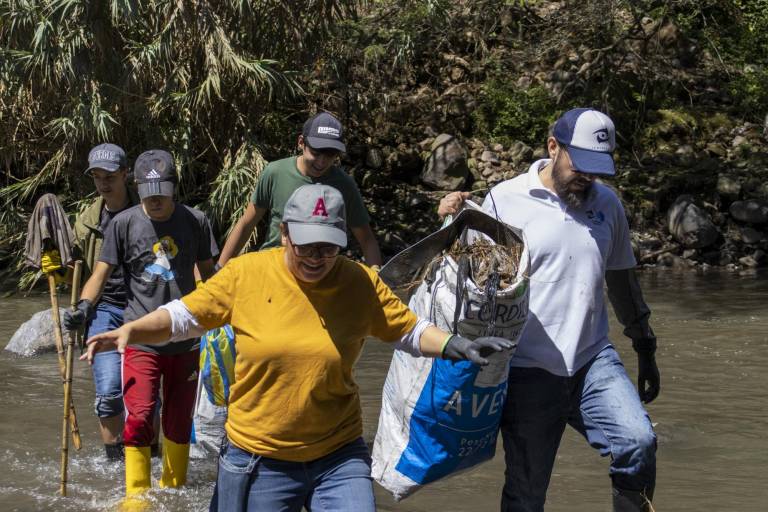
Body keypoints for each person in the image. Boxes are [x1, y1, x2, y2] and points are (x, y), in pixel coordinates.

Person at [84, 183, 512, 512]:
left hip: (338, 455)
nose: (315, 256)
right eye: (305, 245)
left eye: (327, 247)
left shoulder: (359, 281)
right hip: (260, 457)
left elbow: (407, 330)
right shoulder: (248, 274)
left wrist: (456, 344)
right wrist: (133, 331)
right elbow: (184, 317)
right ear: (284, 233)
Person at [438, 108, 660, 512]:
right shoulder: (503, 200)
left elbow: (622, 284)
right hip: (526, 369)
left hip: (593, 360)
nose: (588, 177)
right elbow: (468, 285)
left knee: (638, 441)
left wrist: (645, 346)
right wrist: (452, 224)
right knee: (526, 492)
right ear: (553, 147)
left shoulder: (607, 205)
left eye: (598, 169)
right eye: (581, 165)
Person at [73, 149, 217, 505]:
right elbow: (100, 273)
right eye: (148, 192)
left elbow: (210, 278)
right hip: (139, 337)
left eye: (162, 192)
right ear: (136, 186)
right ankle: (136, 495)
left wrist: (225, 322)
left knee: (179, 420)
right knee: (138, 415)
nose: (155, 200)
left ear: (174, 188)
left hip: (185, 339)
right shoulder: (123, 225)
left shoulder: (196, 220)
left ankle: (174, 490)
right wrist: (83, 306)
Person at [217, 112, 383, 269]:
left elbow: (367, 239)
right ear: (301, 142)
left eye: (331, 154)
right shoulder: (275, 172)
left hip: (317, 268)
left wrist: (376, 277)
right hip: (275, 264)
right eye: (316, 152)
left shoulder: (344, 185)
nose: (322, 161)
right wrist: (220, 267)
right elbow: (247, 223)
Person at [63, 143, 140, 461]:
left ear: (125, 174)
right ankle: (114, 464)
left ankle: (147, 457)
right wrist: (58, 269)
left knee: (143, 397)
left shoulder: (148, 210)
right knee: (109, 393)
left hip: (142, 308)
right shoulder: (86, 221)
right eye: (96, 176)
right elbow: (76, 274)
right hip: (104, 309)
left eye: (109, 175)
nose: (103, 182)